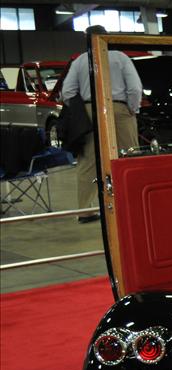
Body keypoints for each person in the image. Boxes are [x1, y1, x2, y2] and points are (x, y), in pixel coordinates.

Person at [61, 25, 142, 223]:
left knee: (88, 161)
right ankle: (133, 202)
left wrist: (81, 111)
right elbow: (134, 88)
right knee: (129, 156)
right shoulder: (120, 57)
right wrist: (133, 108)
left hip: (89, 111)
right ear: (108, 38)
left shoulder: (80, 60)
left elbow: (67, 91)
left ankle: (85, 211)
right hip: (118, 109)